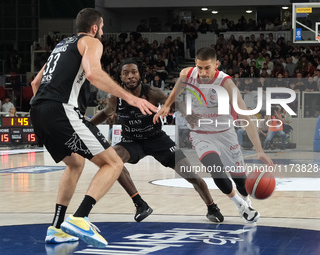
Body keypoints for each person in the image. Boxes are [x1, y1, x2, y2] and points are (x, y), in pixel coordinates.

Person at [30, 8, 157, 248]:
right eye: (103, 28)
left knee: (75, 163)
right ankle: (80, 217)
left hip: (37, 109)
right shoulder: (91, 41)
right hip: (61, 110)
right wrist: (130, 98)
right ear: (95, 27)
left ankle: (56, 228)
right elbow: (93, 73)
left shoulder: (60, 46)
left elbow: (36, 82)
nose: (103, 32)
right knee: (113, 163)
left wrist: (45, 114)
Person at [90, 58, 224, 223]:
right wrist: (87, 126)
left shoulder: (153, 93)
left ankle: (211, 207)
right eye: (125, 73)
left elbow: (176, 103)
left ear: (141, 74)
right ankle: (140, 203)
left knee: (191, 175)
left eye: (134, 72)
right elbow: (105, 113)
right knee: (113, 160)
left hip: (157, 139)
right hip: (131, 141)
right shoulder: (114, 98)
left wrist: (187, 112)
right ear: (121, 77)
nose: (130, 76)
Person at [154, 47, 274, 223]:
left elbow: (245, 117)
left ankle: (246, 201)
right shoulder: (187, 74)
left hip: (225, 134)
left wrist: (259, 150)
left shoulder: (226, 83)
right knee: (216, 170)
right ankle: (240, 205)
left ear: (216, 64)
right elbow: (177, 90)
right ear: (196, 64)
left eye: (207, 68)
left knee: (241, 181)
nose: (202, 72)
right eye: (200, 67)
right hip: (200, 134)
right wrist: (167, 105)